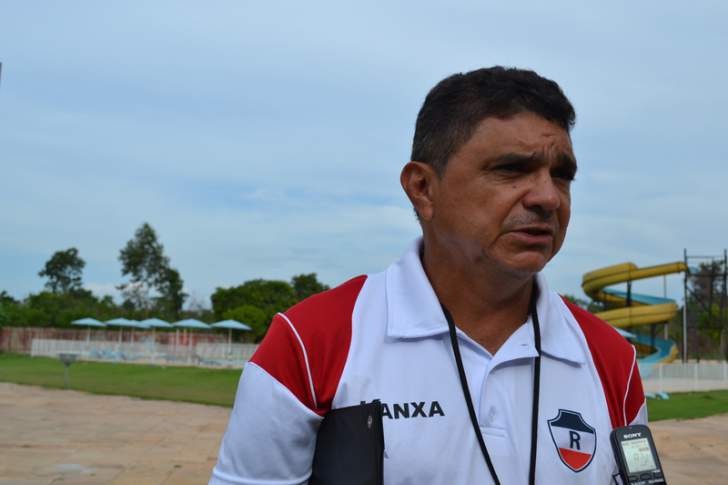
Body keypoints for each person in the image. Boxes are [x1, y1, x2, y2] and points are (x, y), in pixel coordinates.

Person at [210, 66, 646, 484]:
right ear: (422, 188)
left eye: (562, 176)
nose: (548, 197)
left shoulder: (612, 360)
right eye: (511, 169)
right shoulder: (310, 343)